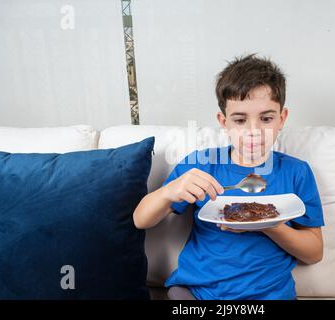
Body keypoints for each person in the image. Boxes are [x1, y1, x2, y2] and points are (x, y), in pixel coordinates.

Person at [133, 54, 324, 300]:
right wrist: (168, 192)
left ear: (282, 119)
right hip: (196, 291)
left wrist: (271, 226)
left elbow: (314, 252)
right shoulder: (200, 165)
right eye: (240, 120)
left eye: (266, 119)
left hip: (270, 295)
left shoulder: (297, 172)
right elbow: (140, 220)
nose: (253, 131)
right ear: (224, 122)